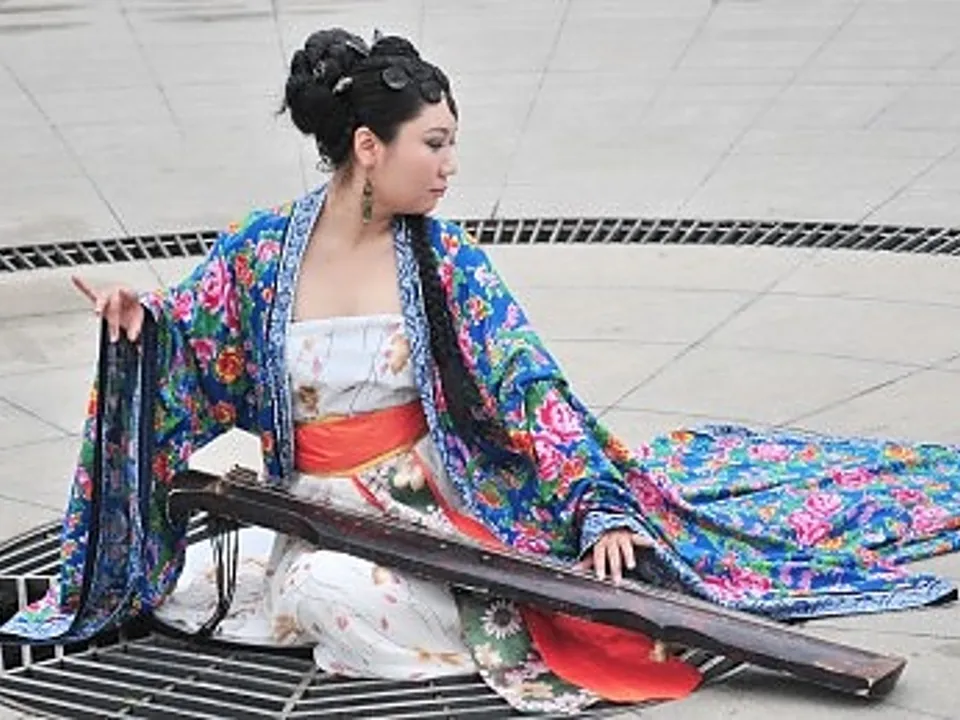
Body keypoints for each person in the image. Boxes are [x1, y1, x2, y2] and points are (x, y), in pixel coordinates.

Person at [3, 27, 960, 715]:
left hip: (433, 503)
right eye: (435, 143)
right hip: (313, 500)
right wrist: (143, 326)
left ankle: (464, 601)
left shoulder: (443, 259)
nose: (450, 165)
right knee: (237, 586)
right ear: (368, 148)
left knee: (334, 599)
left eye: (451, 142)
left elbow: (527, 385)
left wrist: (597, 502)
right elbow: (190, 341)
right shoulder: (262, 252)